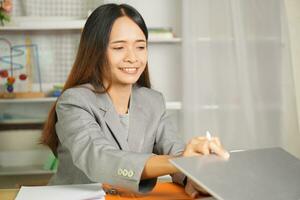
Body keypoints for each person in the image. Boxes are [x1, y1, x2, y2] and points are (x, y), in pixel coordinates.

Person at [41, 3, 229, 198]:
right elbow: (99, 159)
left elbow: (175, 148)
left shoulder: (153, 101)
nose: (132, 57)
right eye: (119, 47)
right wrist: (180, 160)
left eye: (140, 46)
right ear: (95, 51)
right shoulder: (74, 101)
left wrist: (195, 176)